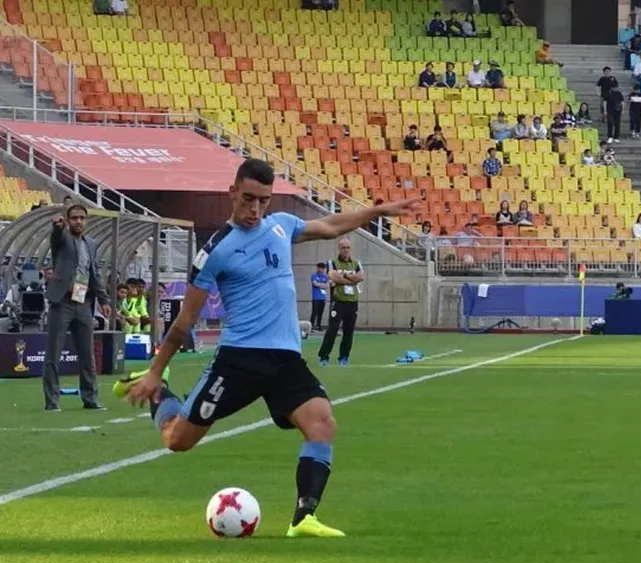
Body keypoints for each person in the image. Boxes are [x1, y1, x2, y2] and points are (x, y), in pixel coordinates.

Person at [118, 159, 419, 538]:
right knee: (178, 440)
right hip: (238, 360)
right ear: (232, 193)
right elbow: (184, 322)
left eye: (263, 200)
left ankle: (303, 517)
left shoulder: (281, 225)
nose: (255, 209)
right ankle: (159, 394)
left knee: (322, 423)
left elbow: (329, 227)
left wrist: (375, 211)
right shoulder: (215, 252)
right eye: (248, 199)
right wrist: (157, 371)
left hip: (285, 359)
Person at [44, 204, 113, 412]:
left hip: (83, 302)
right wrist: (57, 226)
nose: (79, 221)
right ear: (68, 219)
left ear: (86, 220)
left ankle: (90, 399)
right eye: (74, 218)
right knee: (53, 354)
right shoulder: (63, 239)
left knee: (87, 354)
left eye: (82, 218)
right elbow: (56, 237)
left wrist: (104, 300)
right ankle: (52, 402)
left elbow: (94, 274)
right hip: (61, 301)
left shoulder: (90, 243)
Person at [318, 238, 364, 367]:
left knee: (349, 332)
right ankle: (324, 356)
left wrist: (344, 277)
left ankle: (344, 357)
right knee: (332, 330)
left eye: (348, 247)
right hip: (338, 301)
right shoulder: (332, 262)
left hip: (352, 301)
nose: (346, 250)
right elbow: (333, 276)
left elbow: (361, 277)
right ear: (339, 248)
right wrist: (351, 279)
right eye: (343, 247)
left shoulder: (356, 263)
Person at [310, 262, 329, 332]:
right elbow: (315, 284)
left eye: (322, 268)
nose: (320, 269)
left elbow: (327, 286)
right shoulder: (314, 275)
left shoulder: (325, 276)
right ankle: (311, 326)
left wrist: (319, 284)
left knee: (320, 313)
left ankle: (318, 326)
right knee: (314, 312)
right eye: (319, 268)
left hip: (323, 297)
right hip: (316, 297)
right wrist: (322, 285)